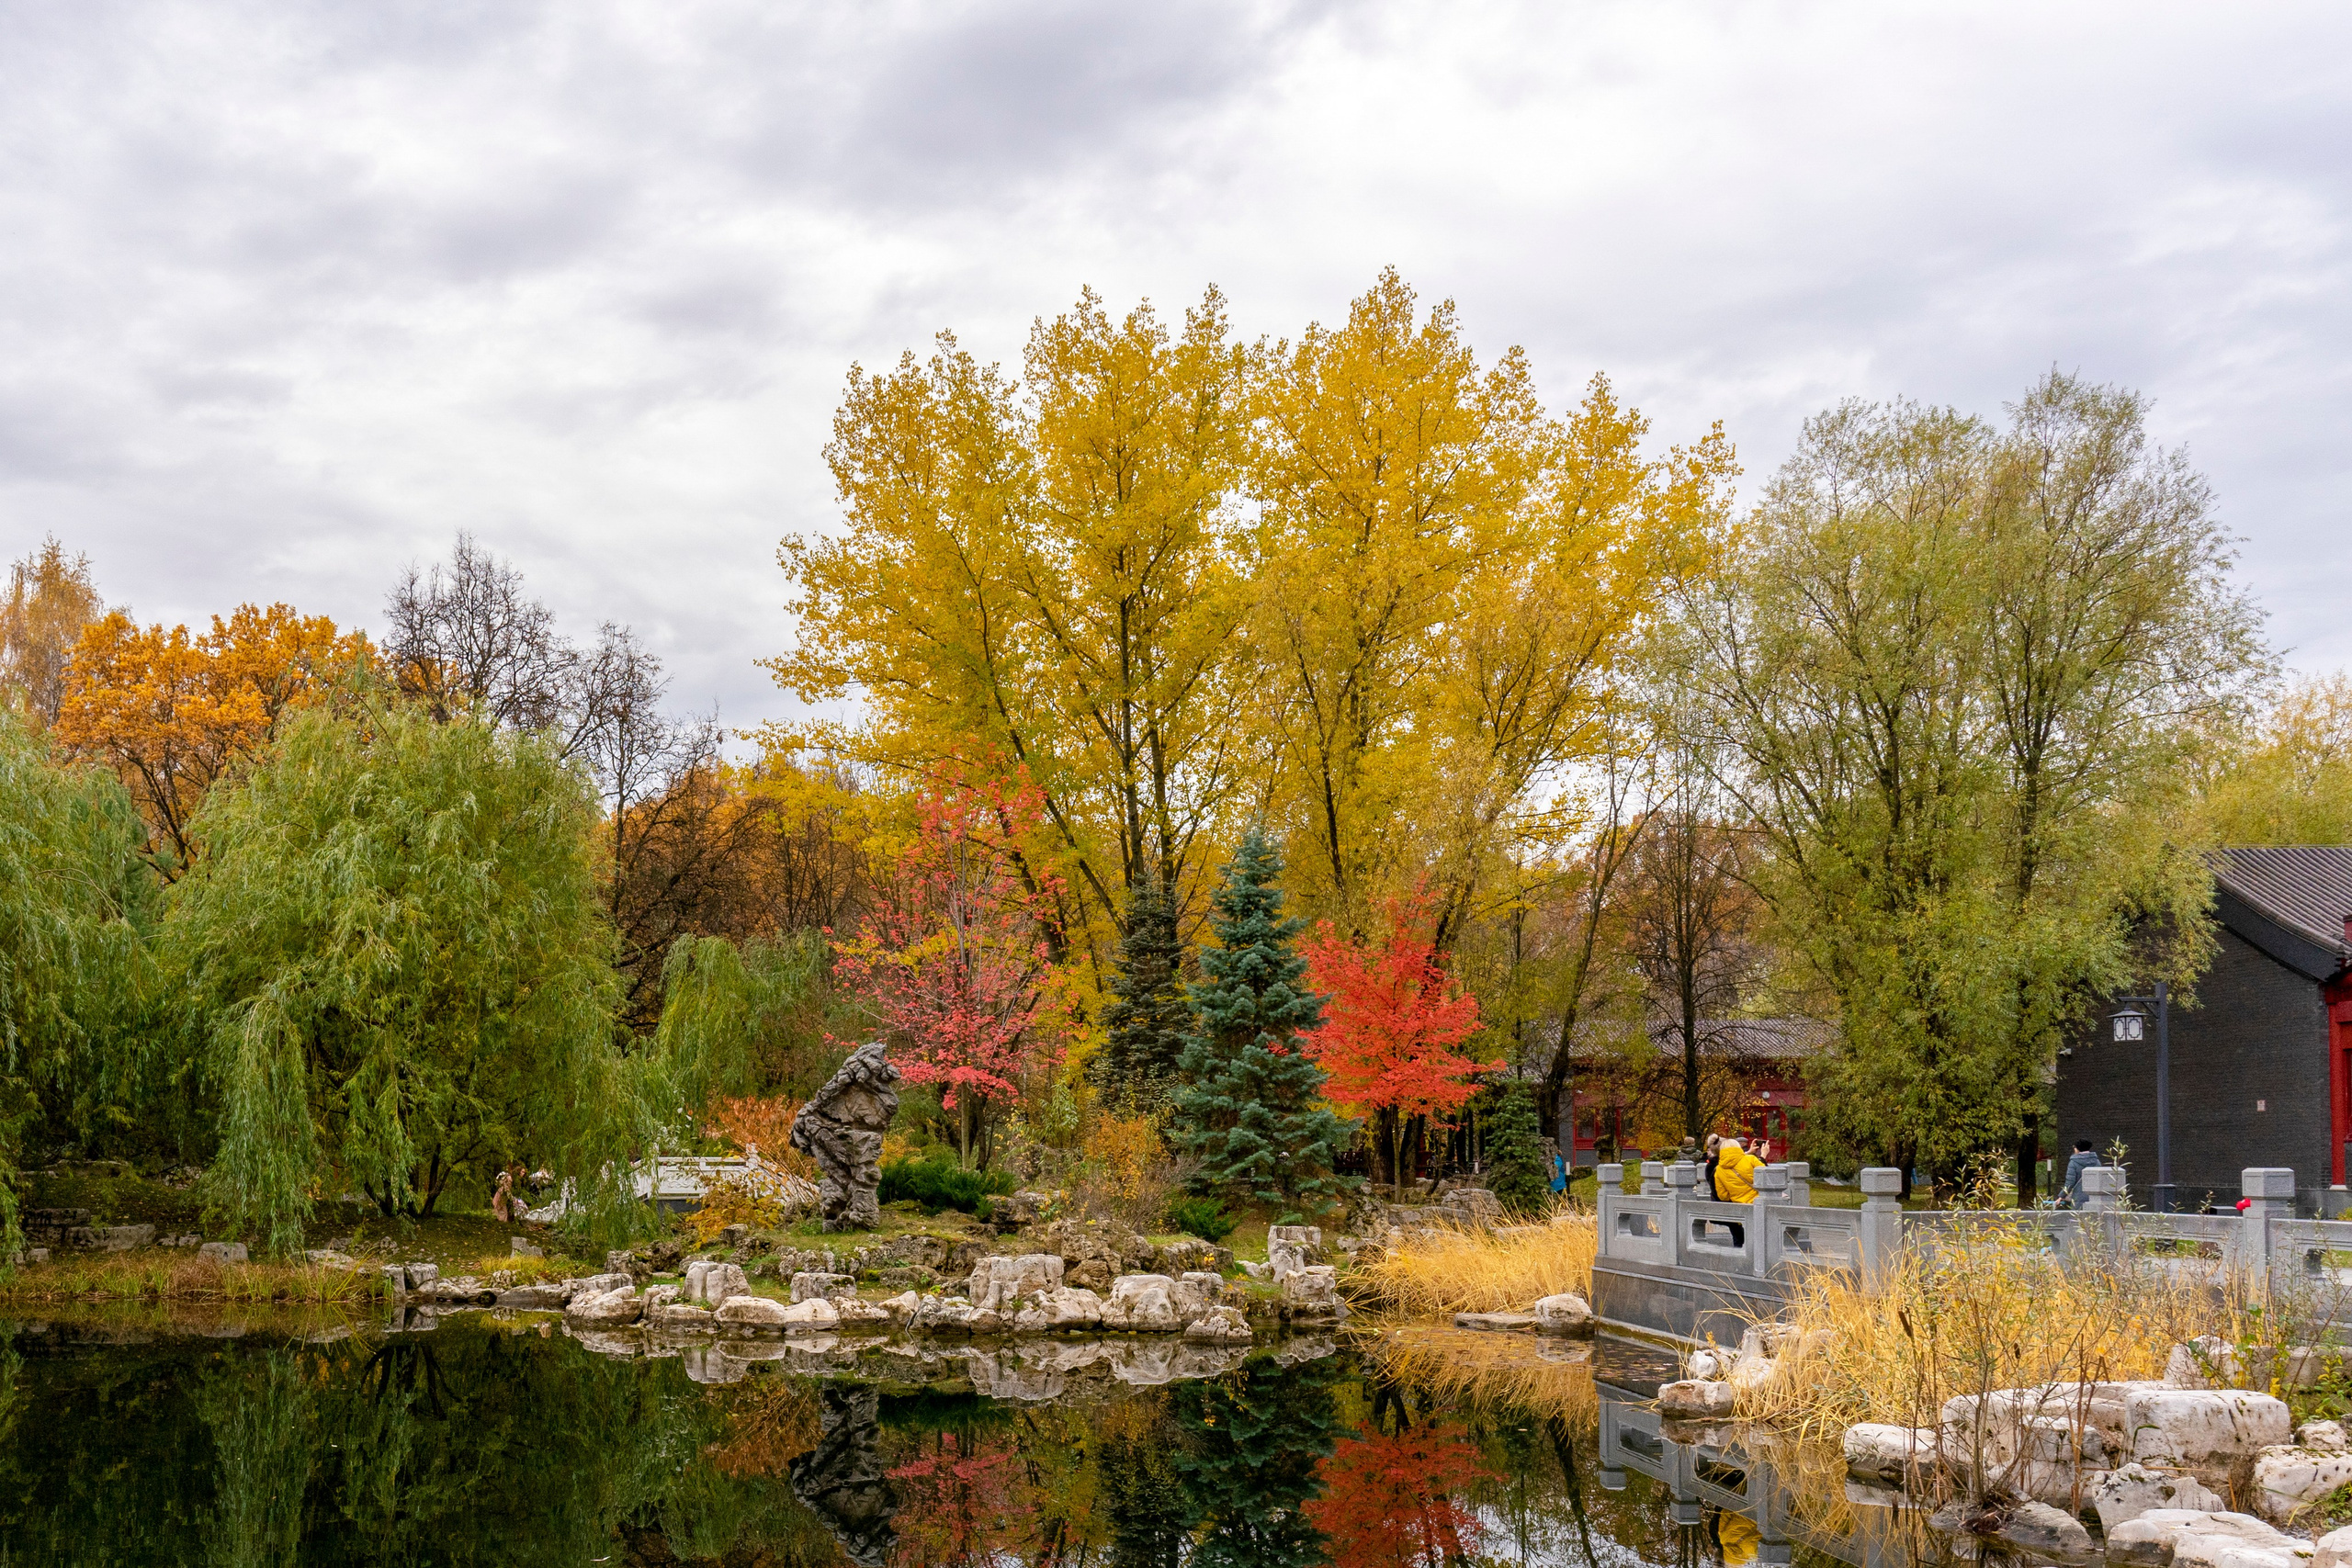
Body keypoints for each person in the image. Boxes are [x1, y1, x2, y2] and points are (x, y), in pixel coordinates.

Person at [1714, 1136, 1764, 1204]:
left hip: (1739, 1205)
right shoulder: (1751, 1159)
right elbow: (1766, 1177)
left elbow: (1723, 1196)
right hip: (1759, 1202)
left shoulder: (1718, 1169)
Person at [2061, 1140, 2098, 1209]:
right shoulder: (2096, 1161)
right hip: (2094, 1197)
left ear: (2077, 1148)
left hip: (2078, 1197)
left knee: (2077, 1215)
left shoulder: (2073, 1162)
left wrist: (2062, 1196)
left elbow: (2070, 1182)